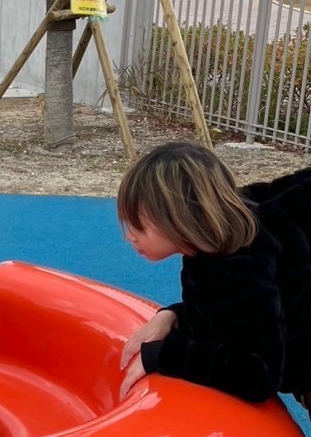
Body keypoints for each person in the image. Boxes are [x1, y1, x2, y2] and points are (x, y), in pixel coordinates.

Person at [117, 140, 311, 408]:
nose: (130, 237)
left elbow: (256, 373)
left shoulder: (240, 265)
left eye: (140, 227)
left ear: (179, 219)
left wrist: (164, 355)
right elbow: (233, 316)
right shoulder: (217, 239)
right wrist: (174, 316)